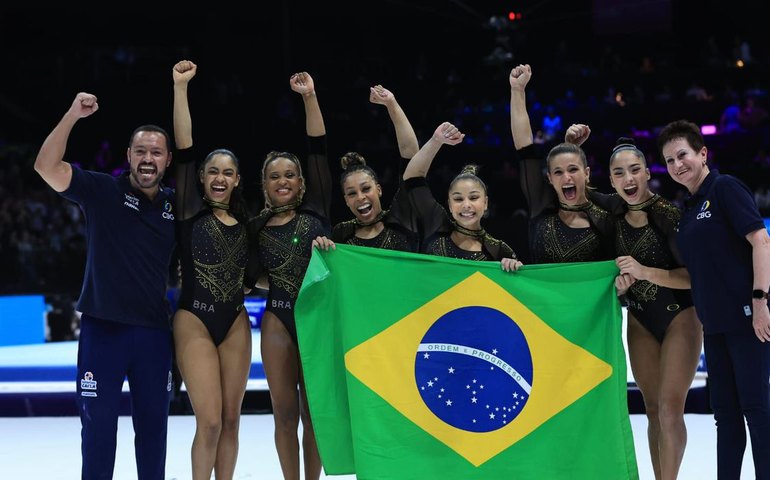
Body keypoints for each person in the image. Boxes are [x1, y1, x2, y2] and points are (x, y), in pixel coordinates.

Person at [33, 93, 176, 479]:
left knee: (153, 433)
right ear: (128, 155)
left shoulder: (176, 208)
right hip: (102, 332)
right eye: (141, 151)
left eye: (157, 152)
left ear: (167, 160)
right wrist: (72, 115)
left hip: (153, 335)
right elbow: (45, 166)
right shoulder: (102, 191)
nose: (148, 159)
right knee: (97, 432)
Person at [658, 119, 770, 479]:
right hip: (716, 326)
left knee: (756, 408)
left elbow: (761, 241)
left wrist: (760, 302)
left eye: (683, 155)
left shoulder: (724, 189)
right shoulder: (689, 210)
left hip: (747, 318)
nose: (677, 165)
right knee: (725, 415)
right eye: (670, 160)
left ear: (702, 153)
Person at [245, 71, 332, 480]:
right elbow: (250, 276)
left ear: (301, 182)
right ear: (264, 184)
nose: (283, 181)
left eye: (289, 175)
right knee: (284, 415)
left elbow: (317, 146)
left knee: (314, 415)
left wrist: (309, 96)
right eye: (274, 176)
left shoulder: (317, 209)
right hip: (279, 319)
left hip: (317, 319)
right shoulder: (256, 226)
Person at [171, 60, 252, 480]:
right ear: (201, 178)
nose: (219, 178)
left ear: (237, 179)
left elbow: (264, 270)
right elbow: (183, 147)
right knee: (211, 421)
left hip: (236, 319)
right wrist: (180, 88)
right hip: (194, 319)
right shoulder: (188, 210)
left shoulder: (248, 225)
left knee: (234, 420)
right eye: (212, 171)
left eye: (227, 172)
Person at [607, 136, 703, 480]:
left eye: (635, 170)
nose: (628, 179)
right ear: (611, 180)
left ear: (648, 172)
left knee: (668, 410)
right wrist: (619, 287)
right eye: (619, 173)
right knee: (650, 410)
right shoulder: (612, 216)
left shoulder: (667, 215)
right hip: (640, 318)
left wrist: (644, 272)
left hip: (681, 316)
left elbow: (694, 277)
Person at [509, 63, 615, 264]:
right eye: (558, 172)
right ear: (549, 178)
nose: (566, 177)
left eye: (573, 169)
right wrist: (517, 90)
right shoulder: (541, 204)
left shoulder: (605, 215)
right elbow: (525, 149)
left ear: (587, 173)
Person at [403, 121, 521, 271]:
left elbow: (517, 290)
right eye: (458, 199)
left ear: (485, 203)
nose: (466, 205)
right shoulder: (436, 225)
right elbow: (412, 179)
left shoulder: (498, 249)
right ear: (450, 205)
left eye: (473, 198)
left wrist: (516, 269)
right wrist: (436, 140)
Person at [332, 84, 420, 251]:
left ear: (378, 189)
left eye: (366, 188)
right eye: (352, 193)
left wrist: (391, 103)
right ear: (346, 200)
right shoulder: (341, 234)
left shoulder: (400, 218)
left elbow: (411, 156)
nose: (360, 197)